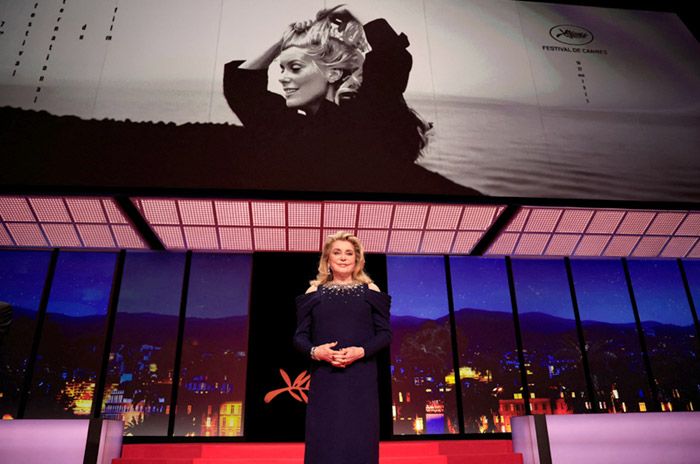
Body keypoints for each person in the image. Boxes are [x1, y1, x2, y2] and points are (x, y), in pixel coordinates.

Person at [223, 6, 481, 195]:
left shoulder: (365, 119)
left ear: (333, 73)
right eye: (282, 69)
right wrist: (286, 40)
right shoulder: (292, 129)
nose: (282, 79)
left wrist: (350, 10)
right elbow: (243, 89)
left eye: (295, 68)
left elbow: (391, 57)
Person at [294, 231, 391, 464]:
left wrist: (362, 351)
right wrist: (316, 352)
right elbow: (300, 337)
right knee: (325, 440)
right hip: (326, 379)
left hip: (361, 379)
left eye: (349, 253)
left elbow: (385, 334)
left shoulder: (371, 292)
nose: (343, 257)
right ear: (327, 259)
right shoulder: (313, 294)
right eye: (337, 252)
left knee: (359, 440)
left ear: (358, 260)